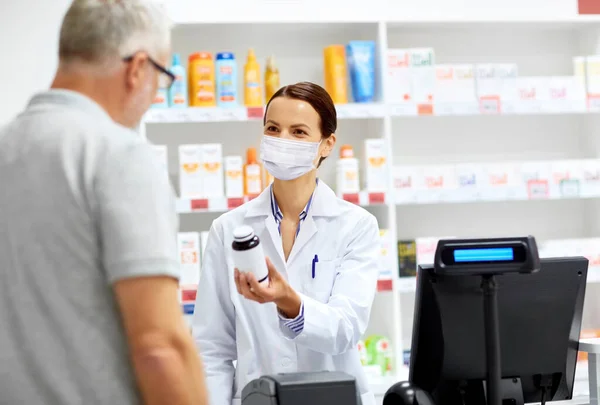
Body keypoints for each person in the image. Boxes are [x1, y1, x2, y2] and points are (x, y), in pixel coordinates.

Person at [0, 1, 208, 404]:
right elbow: (159, 346)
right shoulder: (118, 155)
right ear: (137, 69)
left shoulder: (6, 148)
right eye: (162, 80)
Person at [193, 81, 381, 405]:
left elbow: (345, 327)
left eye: (298, 132)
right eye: (273, 128)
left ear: (326, 144)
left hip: (332, 398)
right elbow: (211, 349)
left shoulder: (356, 226)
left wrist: (291, 303)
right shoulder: (227, 230)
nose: (282, 140)